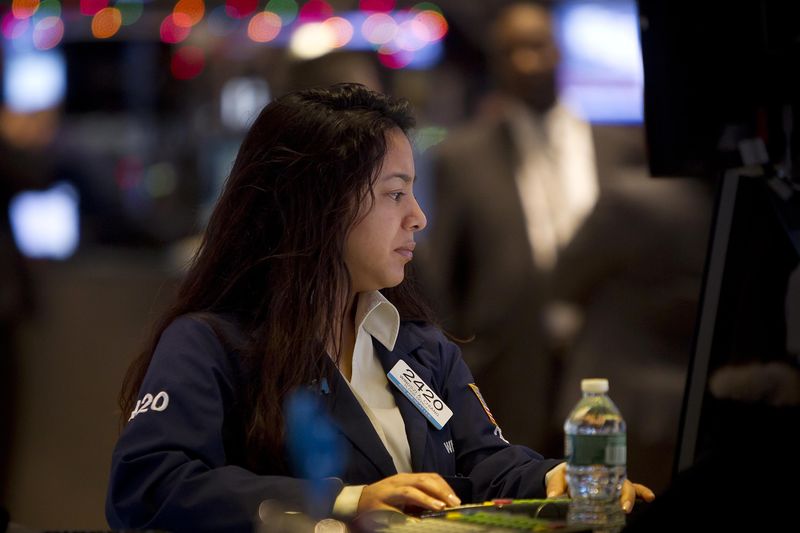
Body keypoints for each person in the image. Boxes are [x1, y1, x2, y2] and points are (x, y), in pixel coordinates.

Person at [105, 83, 653, 532]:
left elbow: (485, 459)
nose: (418, 216)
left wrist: (558, 478)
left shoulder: (417, 344)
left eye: (413, 193)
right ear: (319, 204)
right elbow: (149, 486)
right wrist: (347, 500)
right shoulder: (214, 343)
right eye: (395, 193)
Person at [417, 0, 598, 455]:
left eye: (537, 46)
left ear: (558, 50)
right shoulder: (463, 156)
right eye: (512, 50)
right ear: (496, 61)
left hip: (603, 364)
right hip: (509, 372)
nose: (527, 61)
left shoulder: (615, 150)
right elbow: (442, 277)